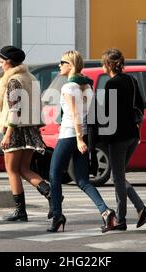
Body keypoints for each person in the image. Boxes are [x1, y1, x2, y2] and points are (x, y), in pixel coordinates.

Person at [47, 50, 116, 233]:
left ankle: (57, 216)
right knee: (83, 180)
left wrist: (78, 139)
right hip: (82, 134)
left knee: (54, 175)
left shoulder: (69, 88)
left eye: (62, 62)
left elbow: (75, 114)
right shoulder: (85, 85)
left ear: (70, 65)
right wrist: (82, 138)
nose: (59, 65)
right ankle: (106, 212)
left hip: (71, 135)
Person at [0, 45, 53, 221]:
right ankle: (51, 195)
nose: (0, 65)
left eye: (1, 61)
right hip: (30, 129)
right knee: (24, 169)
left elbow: (15, 110)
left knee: (12, 170)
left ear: (9, 62)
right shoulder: (31, 77)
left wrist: (7, 134)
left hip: (15, 129)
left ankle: (20, 211)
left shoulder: (14, 80)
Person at [102, 48, 146, 230]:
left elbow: (108, 113)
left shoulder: (111, 84)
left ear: (108, 64)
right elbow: (141, 105)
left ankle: (122, 219)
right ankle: (140, 208)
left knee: (118, 178)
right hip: (132, 135)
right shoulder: (131, 80)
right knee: (119, 176)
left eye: (103, 63)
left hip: (118, 137)